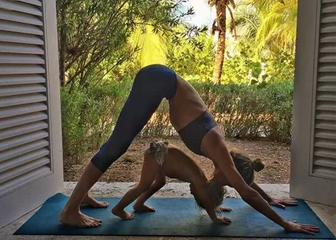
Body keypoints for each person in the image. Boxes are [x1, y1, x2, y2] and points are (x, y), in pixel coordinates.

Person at [59, 64, 319, 235]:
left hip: (160, 80)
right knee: (117, 145)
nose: (229, 186)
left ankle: (82, 195)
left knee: (117, 144)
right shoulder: (218, 151)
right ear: (231, 173)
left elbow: (245, 181)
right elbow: (247, 191)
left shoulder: (223, 157)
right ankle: (70, 210)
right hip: (159, 79)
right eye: (232, 182)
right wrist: (285, 224)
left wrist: (270, 197)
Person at [112, 140, 230, 224]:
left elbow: (208, 198)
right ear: (204, 192)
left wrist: (216, 206)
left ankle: (138, 204)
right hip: (157, 154)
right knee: (143, 185)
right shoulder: (199, 181)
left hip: (160, 154)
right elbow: (206, 199)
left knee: (160, 182)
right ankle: (118, 209)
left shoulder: (203, 180)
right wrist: (215, 218)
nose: (192, 193)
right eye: (195, 195)